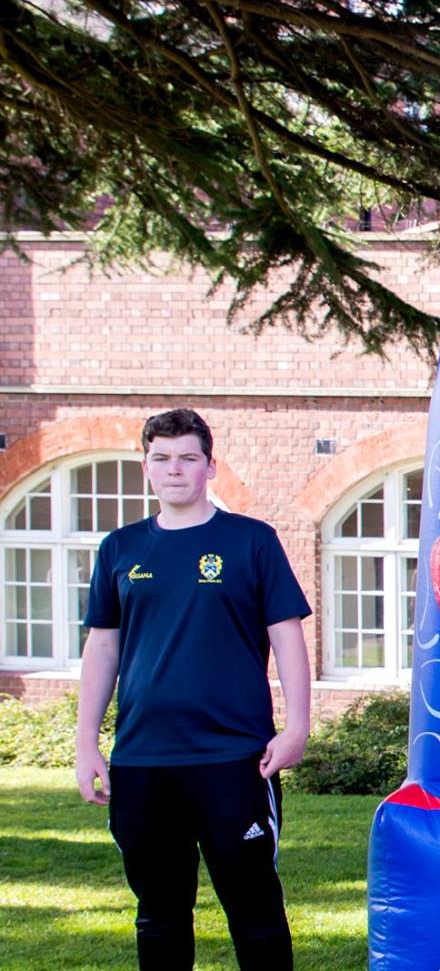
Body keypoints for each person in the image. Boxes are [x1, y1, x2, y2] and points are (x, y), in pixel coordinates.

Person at [74, 408, 312, 970]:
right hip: (142, 762)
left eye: (187, 458)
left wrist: (297, 725)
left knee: (254, 911)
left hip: (234, 759)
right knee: (158, 915)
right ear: (146, 467)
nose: (174, 469)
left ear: (210, 467)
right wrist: (87, 743)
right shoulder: (121, 548)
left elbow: (287, 637)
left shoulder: (251, 541)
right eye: (162, 458)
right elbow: (102, 648)